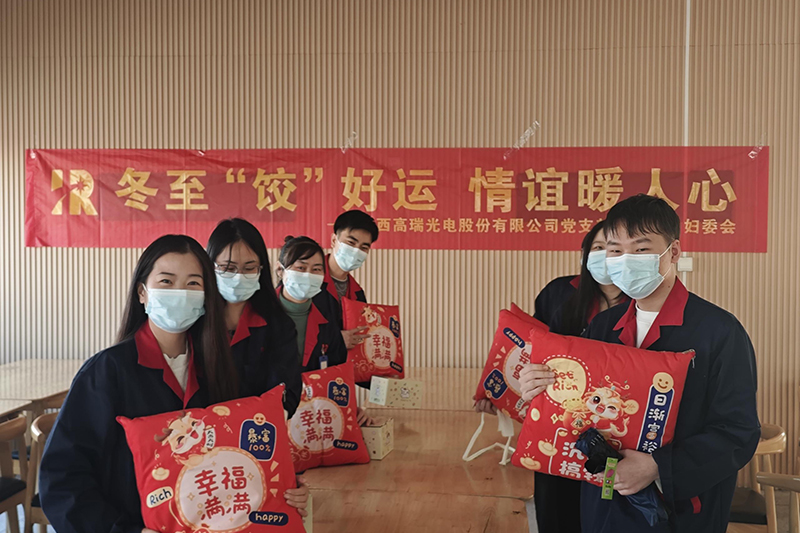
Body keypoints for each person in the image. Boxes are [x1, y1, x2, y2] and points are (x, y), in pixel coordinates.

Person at [39, 235, 308, 533]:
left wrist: (282, 487)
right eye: (166, 281)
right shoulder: (107, 371)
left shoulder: (219, 367)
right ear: (142, 292)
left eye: (193, 283)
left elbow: (239, 452)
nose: (180, 293)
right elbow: (62, 479)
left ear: (206, 296)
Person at [582, 195, 758, 532]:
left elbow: (738, 431)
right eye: (616, 251)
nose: (626, 261)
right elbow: (581, 408)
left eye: (641, 249)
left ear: (673, 252)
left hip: (681, 510)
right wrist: (545, 385)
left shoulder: (718, 331)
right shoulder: (602, 328)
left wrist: (657, 467)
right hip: (607, 500)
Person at [508, 221, 627, 533]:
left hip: (613, 433)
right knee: (556, 512)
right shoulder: (560, 293)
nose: (605, 255)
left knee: (606, 506)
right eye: (597, 248)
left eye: (614, 249)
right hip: (557, 427)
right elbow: (530, 349)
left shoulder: (640, 304)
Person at [207, 218, 302, 417]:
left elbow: (287, 389)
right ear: (210, 266)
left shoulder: (278, 325)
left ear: (261, 269)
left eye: (249, 268)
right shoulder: (195, 320)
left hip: (256, 428)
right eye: (228, 268)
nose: (238, 277)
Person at [275, 235, 373, 426]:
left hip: (312, 422)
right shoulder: (260, 317)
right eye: (301, 268)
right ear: (281, 270)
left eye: (316, 269)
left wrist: (350, 410)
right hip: (268, 419)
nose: (308, 275)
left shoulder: (326, 319)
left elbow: (336, 374)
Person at [323, 209, 379, 350]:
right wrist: (336, 339)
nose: (356, 251)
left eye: (363, 247)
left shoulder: (357, 293)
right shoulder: (306, 281)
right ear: (334, 240)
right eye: (351, 243)